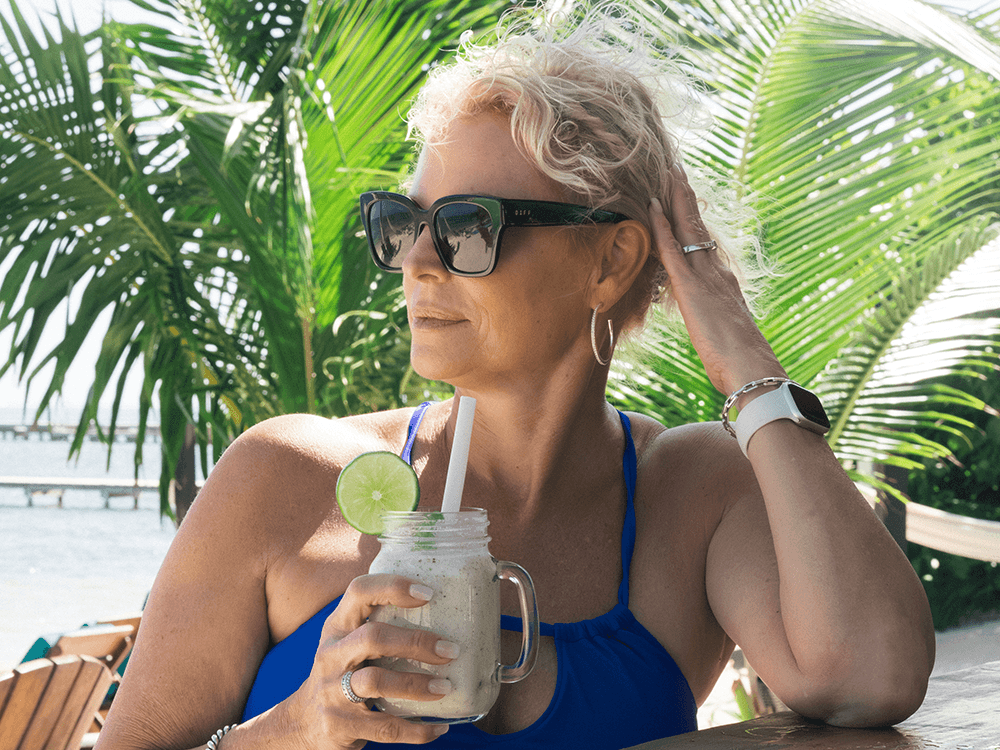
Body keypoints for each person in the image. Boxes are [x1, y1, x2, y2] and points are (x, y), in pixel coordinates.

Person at [96, 5, 935, 750]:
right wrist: (294, 731)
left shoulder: (696, 493)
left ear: (610, 260)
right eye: (403, 221)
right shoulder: (287, 478)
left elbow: (870, 678)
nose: (417, 261)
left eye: (468, 227)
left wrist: (747, 364)